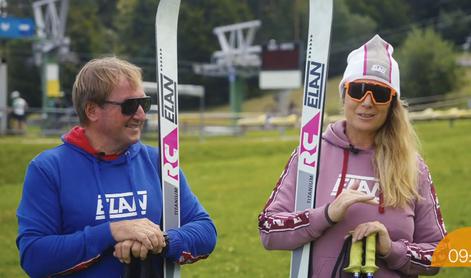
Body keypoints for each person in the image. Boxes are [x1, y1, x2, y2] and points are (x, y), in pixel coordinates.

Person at [258, 35, 446, 277]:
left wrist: (392, 249)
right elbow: (268, 229)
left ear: (392, 103)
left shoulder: (413, 167)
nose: (367, 102)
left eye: (379, 93)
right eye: (358, 90)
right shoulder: (311, 154)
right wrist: (326, 214)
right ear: (344, 94)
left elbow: (438, 254)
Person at [17, 57, 217, 277]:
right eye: (130, 106)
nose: (141, 115)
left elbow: (205, 230)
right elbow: (34, 257)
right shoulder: (48, 169)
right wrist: (112, 231)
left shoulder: (159, 162)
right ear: (92, 110)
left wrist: (161, 241)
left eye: (145, 103)